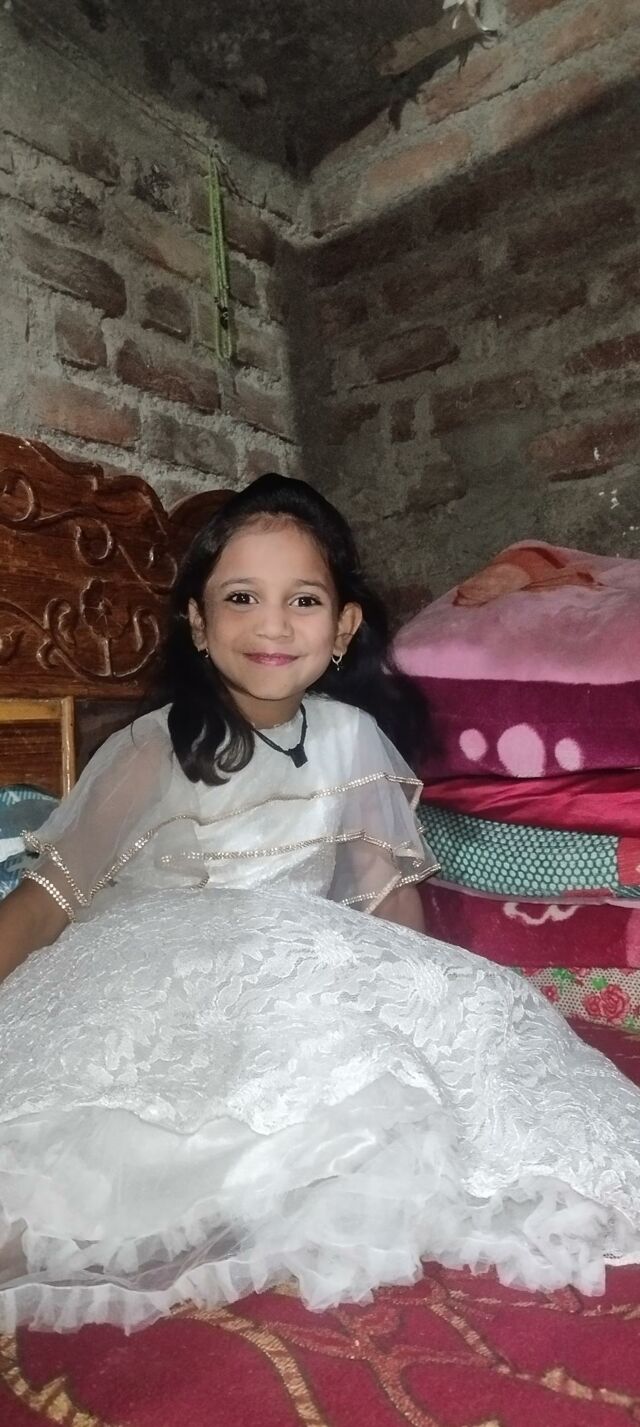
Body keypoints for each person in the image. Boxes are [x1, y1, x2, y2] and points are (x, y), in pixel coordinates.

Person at [0, 474, 639, 1336]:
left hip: (301, 961)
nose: (272, 624)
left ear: (341, 628)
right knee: (140, 1123)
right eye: (241, 597)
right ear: (198, 622)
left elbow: (386, 898)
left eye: (302, 599)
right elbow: (51, 896)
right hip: (169, 969)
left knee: (430, 1045)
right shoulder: (153, 747)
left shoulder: (349, 735)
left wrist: (425, 1002)